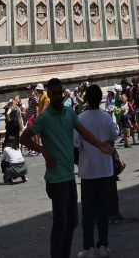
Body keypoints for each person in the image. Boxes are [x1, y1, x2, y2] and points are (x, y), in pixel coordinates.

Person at [22, 77, 115, 258]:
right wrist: (44, 151)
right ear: (49, 94)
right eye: (54, 94)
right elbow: (24, 137)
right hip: (56, 179)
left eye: (59, 93)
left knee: (72, 221)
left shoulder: (69, 113)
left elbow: (85, 133)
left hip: (69, 177)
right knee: (60, 222)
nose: (57, 96)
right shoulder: (44, 118)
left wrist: (100, 145)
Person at [76, 85, 118, 258]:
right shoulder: (107, 118)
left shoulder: (80, 119)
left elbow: (76, 144)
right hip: (105, 169)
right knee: (103, 209)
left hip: (87, 170)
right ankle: (103, 245)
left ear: (85, 99)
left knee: (87, 210)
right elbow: (113, 141)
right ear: (101, 98)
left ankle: (88, 248)